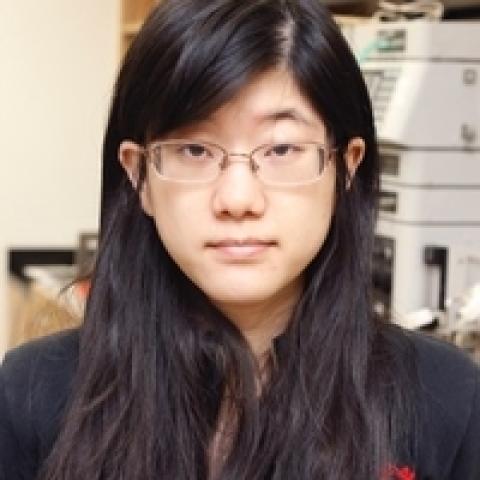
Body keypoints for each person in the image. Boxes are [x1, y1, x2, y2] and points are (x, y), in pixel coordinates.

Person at [1, 0, 479, 479]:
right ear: (138, 175)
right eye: (194, 149)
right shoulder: (32, 394)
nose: (237, 198)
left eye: (282, 149)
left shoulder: (447, 400)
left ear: (346, 170)